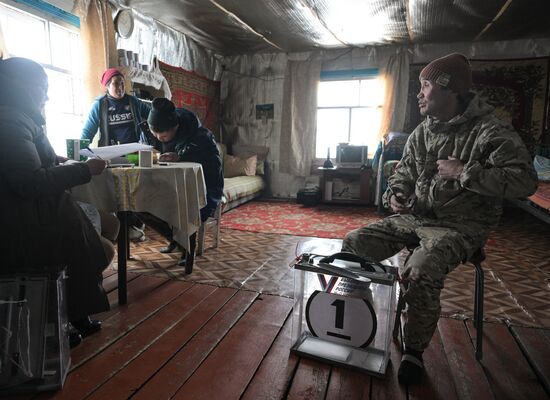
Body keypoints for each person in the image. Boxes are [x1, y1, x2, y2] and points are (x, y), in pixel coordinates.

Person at [341, 53, 537, 385]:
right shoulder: (422, 132)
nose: (420, 93)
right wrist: (396, 196)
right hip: (417, 218)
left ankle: (413, 352)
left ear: (451, 90)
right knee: (354, 243)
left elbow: (525, 181)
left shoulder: (489, 131)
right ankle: (361, 319)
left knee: (419, 269)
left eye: (427, 84)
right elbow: (402, 175)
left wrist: (465, 172)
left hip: (462, 226)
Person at [0, 57, 113, 348]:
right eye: (42, 87)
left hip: (35, 209)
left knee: (103, 228)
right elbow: (29, 182)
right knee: (95, 245)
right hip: (22, 218)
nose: (46, 95)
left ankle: (73, 310)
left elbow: (29, 163)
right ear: (19, 86)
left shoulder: (20, 115)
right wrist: (84, 170)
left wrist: (57, 160)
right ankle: (56, 319)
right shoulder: (9, 121)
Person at [141, 97, 223, 263]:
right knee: (141, 205)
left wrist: (181, 155)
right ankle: (177, 240)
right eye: (154, 133)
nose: (158, 138)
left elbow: (212, 166)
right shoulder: (151, 132)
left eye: (163, 136)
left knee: (186, 204)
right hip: (169, 185)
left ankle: (188, 248)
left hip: (203, 186)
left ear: (176, 127)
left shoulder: (200, 136)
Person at [81, 67, 151, 241]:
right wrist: (80, 154)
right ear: (107, 86)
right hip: (110, 155)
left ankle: (132, 221)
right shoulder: (100, 104)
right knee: (115, 189)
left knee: (133, 186)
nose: (120, 88)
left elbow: (152, 116)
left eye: (122, 83)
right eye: (115, 84)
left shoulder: (133, 102)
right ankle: (126, 227)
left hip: (133, 154)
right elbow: (87, 132)